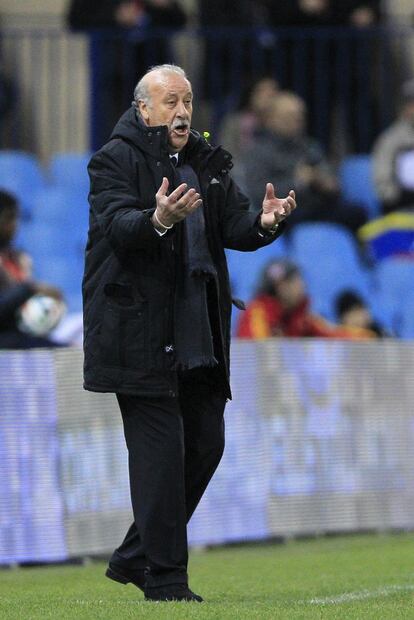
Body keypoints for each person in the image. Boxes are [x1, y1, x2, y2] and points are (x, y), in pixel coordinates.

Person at [83, 64, 296, 602]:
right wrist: (157, 219)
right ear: (144, 110)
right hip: (137, 329)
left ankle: (135, 556)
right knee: (160, 456)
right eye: (170, 101)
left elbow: (235, 228)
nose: (182, 112)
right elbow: (119, 228)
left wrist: (266, 224)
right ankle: (166, 581)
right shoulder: (113, 160)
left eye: (188, 101)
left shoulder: (203, 162)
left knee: (206, 442)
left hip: (196, 327)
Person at [238, 91, 366, 235]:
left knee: (357, 212)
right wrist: (298, 182)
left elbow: (333, 184)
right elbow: (258, 194)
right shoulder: (258, 153)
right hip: (284, 213)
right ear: (271, 119)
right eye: (290, 117)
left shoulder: (310, 146)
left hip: (317, 207)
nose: (297, 122)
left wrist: (325, 183)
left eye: (300, 116)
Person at [67, 0, 187, 149]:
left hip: (155, 75)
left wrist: (164, 6)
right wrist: (115, 16)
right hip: (114, 74)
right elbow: (76, 19)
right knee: (114, 134)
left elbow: (180, 20)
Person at [236, 259, 377, 339]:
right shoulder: (257, 311)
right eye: (296, 281)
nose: (302, 285)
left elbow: (331, 332)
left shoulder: (301, 317)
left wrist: (367, 337)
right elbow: (257, 350)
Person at [0, 190, 64, 348]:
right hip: (6, 339)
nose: (14, 225)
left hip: (21, 337)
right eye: (9, 218)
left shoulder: (19, 258)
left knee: (72, 353)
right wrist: (31, 289)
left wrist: (49, 310)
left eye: (15, 218)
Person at [372, 78, 414, 214]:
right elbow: (383, 182)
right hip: (402, 206)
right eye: (411, 103)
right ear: (404, 107)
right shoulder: (390, 139)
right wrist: (397, 196)